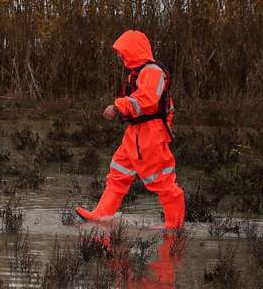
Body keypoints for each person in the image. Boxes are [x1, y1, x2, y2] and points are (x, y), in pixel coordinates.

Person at [75, 29, 185, 230]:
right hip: (135, 132)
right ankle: (101, 215)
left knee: (162, 181)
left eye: (122, 52)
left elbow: (147, 99)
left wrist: (118, 106)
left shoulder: (152, 72)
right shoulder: (138, 72)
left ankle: (175, 228)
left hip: (150, 134)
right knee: (118, 173)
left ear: (134, 50)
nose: (120, 56)